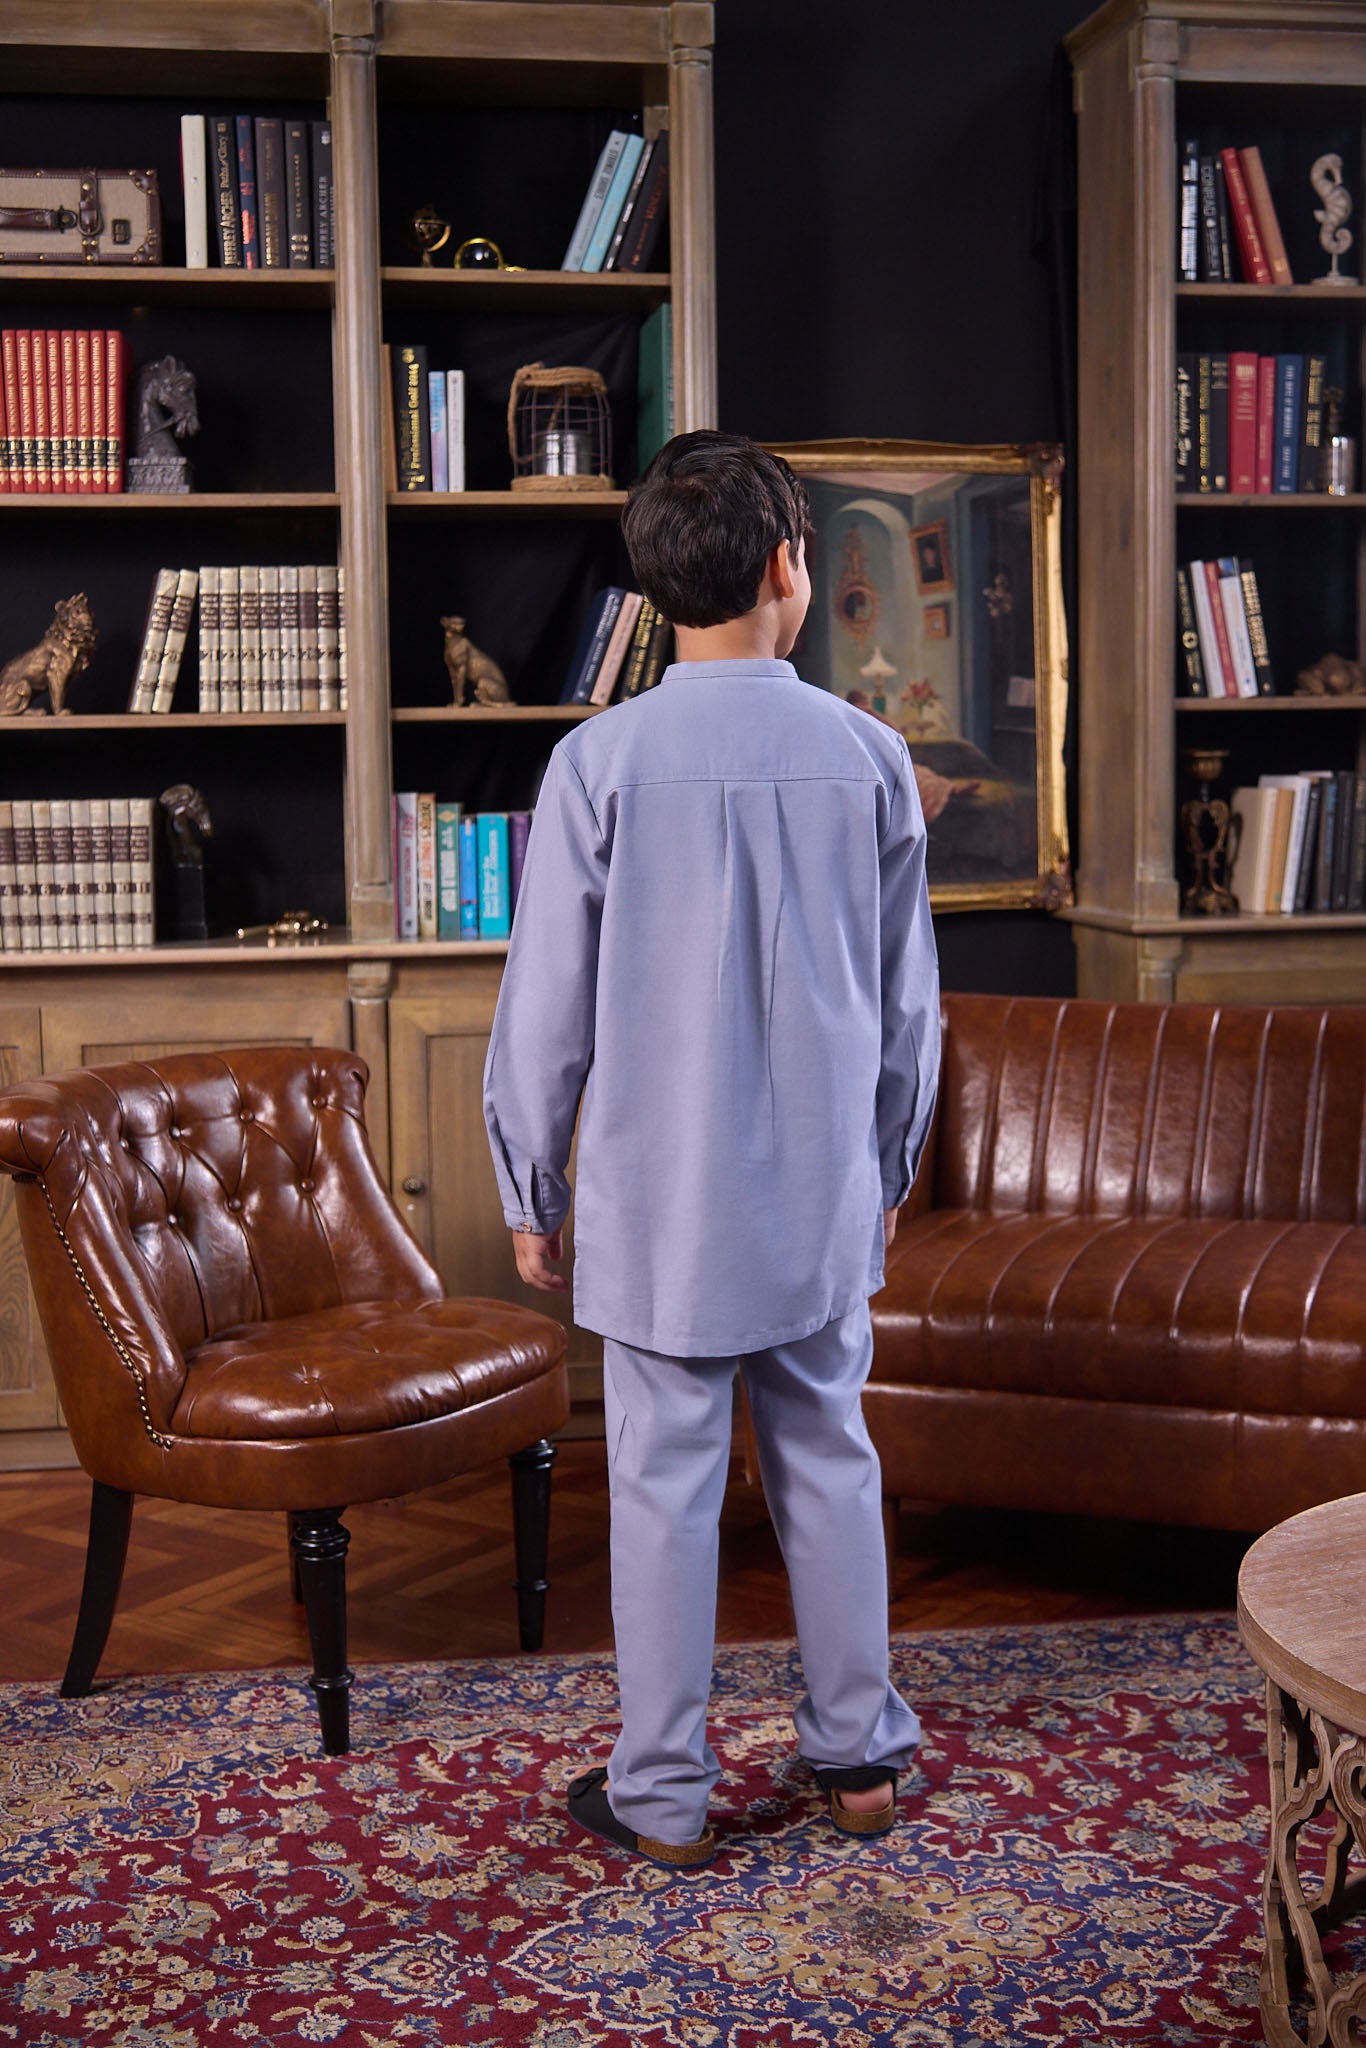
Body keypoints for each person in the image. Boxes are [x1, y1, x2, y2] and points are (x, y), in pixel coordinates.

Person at [483, 429, 940, 1871]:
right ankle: (858, 1760)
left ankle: (666, 1794)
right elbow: (902, 1013)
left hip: (656, 1207)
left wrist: (530, 1186)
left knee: (665, 1484)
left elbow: (541, 1012)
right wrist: (883, 1174)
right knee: (829, 1458)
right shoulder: (869, 758)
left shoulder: (594, 763)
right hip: (816, 1195)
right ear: (785, 566)